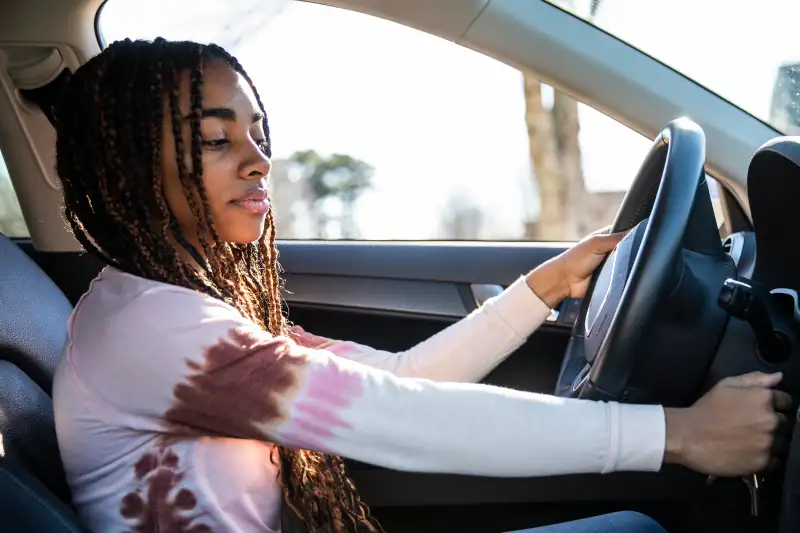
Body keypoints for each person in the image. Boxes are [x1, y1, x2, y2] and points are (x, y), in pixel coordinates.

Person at [50, 38, 790, 533]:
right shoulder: (155, 331)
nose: (257, 160)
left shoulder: (192, 308)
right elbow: (402, 417)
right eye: (215, 140)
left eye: (258, 132)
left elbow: (397, 378)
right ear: (129, 167)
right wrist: (680, 436)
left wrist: (543, 286)